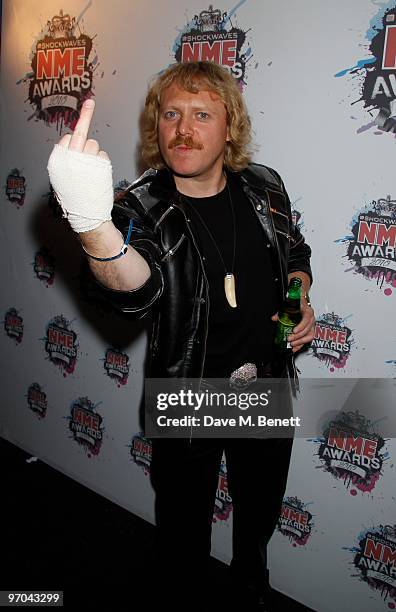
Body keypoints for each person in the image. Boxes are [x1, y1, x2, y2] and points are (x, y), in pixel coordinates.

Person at [47, 61, 314, 610]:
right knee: (183, 539)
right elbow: (132, 288)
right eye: (171, 114)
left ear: (229, 127)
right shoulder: (142, 207)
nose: (182, 129)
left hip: (264, 387)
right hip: (187, 394)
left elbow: (296, 253)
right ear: (157, 124)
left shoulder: (265, 187)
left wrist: (297, 300)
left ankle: (250, 588)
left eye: (200, 114)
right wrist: (93, 225)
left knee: (258, 522)